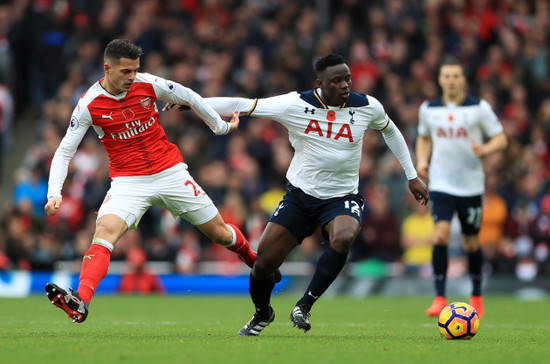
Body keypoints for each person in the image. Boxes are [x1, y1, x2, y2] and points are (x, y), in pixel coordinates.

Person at [165, 53, 429, 335]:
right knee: (263, 264)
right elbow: (243, 105)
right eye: (336, 80)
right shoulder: (294, 104)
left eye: (347, 78)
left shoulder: (367, 106)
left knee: (344, 236)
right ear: (320, 83)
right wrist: (193, 102)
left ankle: (304, 305)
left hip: (342, 197)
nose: (345, 85)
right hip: (300, 197)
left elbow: (391, 131)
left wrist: (412, 175)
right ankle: (262, 313)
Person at [43, 39, 260, 323]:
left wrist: (220, 127)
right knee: (105, 231)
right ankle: (80, 301)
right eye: (125, 72)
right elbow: (64, 151)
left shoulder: (149, 84)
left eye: (135, 70)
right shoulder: (88, 105)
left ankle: (257, 263)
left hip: (170, 171)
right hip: (128, 181)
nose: (132, 77)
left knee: (220, 233)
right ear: (107, 69)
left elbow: (191, 96)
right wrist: (54, 192)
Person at [415, 57, 508, 318]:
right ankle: (439, 297)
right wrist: (422, 160)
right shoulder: (428, 109)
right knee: (441, 235)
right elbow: (423, 138)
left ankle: (476, 295)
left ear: (463, 79)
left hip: (470, 186)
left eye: (456, 76)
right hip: (442, 183)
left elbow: (501, 139)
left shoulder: (479, 108)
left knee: (470, 241)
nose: (451, 80)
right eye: (447, 76)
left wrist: (485, 148)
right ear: (440, 79)